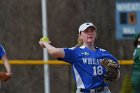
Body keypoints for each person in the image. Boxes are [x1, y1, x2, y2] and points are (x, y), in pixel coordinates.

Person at [39, 22, 120, 93]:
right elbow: (54, 52)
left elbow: (116, 66)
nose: (90, 33)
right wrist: (46, 44)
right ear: (80, 36)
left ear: (95, 34)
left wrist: (116, 72)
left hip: (103, 90)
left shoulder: (103, 52)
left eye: (92, 31)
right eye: (86, 31)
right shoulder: (75, 52)